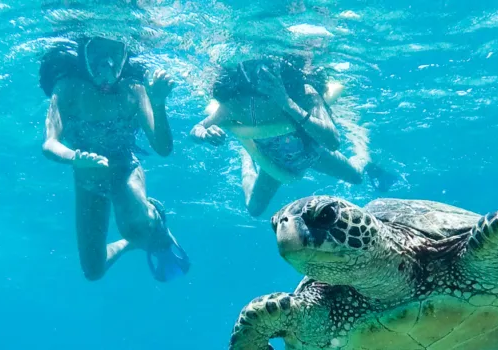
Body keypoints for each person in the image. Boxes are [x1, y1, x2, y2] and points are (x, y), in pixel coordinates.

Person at [38, 35, 190, 282]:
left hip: (125, 169)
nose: (106, 64)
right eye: (97, 53)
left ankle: (151, 221)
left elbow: (163, 148)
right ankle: (135, 241)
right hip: (87, 177)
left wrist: (159, 104)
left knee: (134, 224)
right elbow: (49, 143)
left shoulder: (133, 90)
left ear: (124, 56)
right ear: (84, 54)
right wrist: (74, 158)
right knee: (93, 271)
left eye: (115, 55)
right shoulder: (67, 88)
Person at [190, 55, 398, 217]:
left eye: (271, 71)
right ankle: (247, 156)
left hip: (315, 154)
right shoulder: (239, 104)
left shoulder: (304, 94)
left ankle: (365, 158)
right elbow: (196, 129)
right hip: (273, 164)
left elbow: (333, 142)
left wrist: (287, 103)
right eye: (257, 73)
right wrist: (203, 133)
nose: (264, 78)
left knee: (357, 176)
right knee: (254, 210)